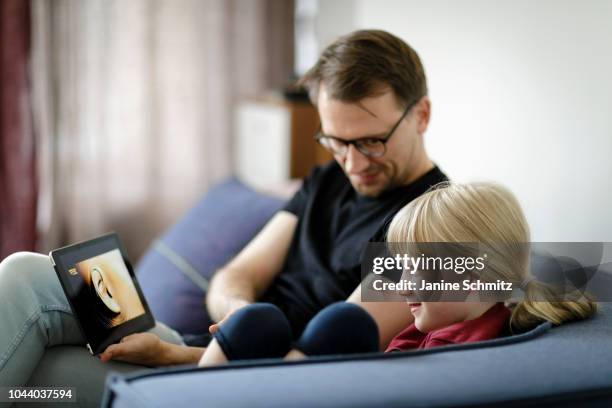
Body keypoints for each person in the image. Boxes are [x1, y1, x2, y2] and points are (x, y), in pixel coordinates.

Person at [0, 29, 445, 399]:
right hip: (215, 349)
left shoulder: (435, 223)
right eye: (335, 141)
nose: (353, 162)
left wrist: (181, 354)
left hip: (228, 378)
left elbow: (321, 359)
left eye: (371, 141)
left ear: (421, 115)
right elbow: (234, 276)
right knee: (28, 296)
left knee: (35, 361)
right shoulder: (325, 182)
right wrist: (240, 315)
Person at [196, 182, 597, 366]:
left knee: (278, 322)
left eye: (417, 269)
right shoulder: (436, 331)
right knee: (258, 320)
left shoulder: (463, 354)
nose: (401, 285)